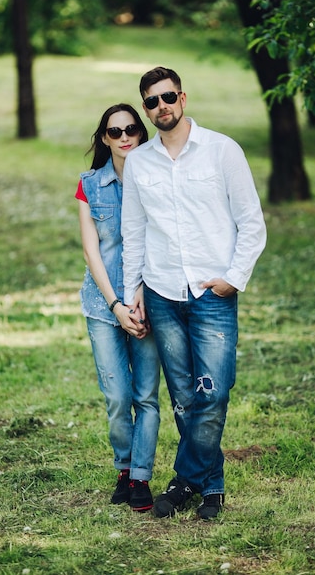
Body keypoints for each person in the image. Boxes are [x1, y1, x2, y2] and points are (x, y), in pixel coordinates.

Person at [121, 67, 266, 520]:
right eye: (151, 101)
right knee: (184, 395)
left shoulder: (222, 151)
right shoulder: (140, 162)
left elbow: (252, 223)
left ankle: (184, 480)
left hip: (212, 294)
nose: (161, 106)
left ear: (182, 97)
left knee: (215, 390)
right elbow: (134, 231)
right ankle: (212, 487)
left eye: (167, 97)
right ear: (146, 108)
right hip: (162, 292)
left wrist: (233, 277)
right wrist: (133, 292)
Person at [75, 104, 160, 512]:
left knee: (146, 396)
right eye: (115, 131)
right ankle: (123, 466)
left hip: (149, 302)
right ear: (105, 137)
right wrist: (116, 305)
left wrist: (138, 299)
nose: (124, 136)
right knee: (117, 396)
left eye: (131, 128)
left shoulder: (159, 179)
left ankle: (141, 477)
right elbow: (92, 252)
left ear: (141, 133)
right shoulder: (89, 185)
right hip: (103, 304)